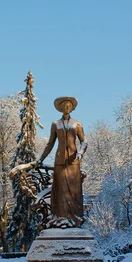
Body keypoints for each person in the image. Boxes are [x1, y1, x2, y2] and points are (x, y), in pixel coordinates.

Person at [35, 96, 87, 226]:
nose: (67, 107)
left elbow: (84, 141)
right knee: (61, 189)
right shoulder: (55, 124)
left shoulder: (77, 123)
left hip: (73, 160)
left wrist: (80, 152)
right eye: (64, 105)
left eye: (69, 105)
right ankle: (59, 218)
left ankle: (75, 219)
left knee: (74, 190)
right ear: (61, 108)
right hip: (60, 160)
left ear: (72, 108)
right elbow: (50, 143)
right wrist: (40, 159)